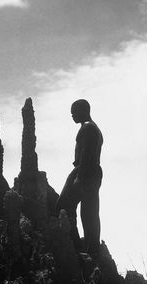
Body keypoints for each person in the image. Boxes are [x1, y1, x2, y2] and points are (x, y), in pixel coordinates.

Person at [56, 99, 103, 257]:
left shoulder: (88, 127)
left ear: (84, 110)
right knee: (89, 212)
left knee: (66, 207)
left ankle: (80, 247)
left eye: (74, 112)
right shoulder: (90, 127)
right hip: (90, 172)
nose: (72, 115)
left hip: (85, 171)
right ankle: (89, 248)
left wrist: (79, 177)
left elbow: (86, 153)